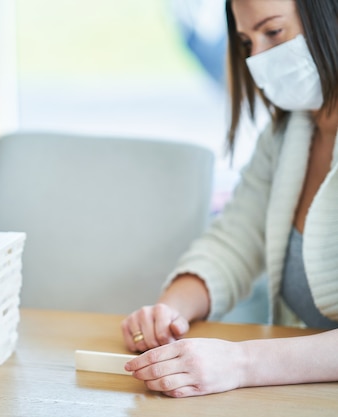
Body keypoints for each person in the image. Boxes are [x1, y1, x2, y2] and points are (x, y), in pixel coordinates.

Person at [121, 0, 338, 397]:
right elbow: (233, 242)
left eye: (273, 32)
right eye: (245, 40)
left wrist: (242, 363)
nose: (257, 58)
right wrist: (169, 312)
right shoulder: (288, 134)